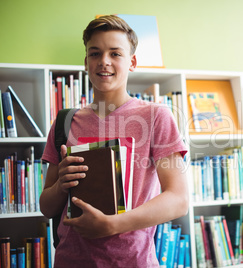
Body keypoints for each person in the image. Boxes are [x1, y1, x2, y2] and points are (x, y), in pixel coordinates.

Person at [39, 15, 188, 267]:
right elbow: (47, 207)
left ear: (132, 62)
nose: (104, 62)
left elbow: (178, 199)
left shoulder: (155, 116)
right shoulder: (65, 121)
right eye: (95, 53)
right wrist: (61, 185)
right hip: (69, 260)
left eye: (115, 54)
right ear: (86, 62)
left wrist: (112, 225)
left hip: (132, 261)